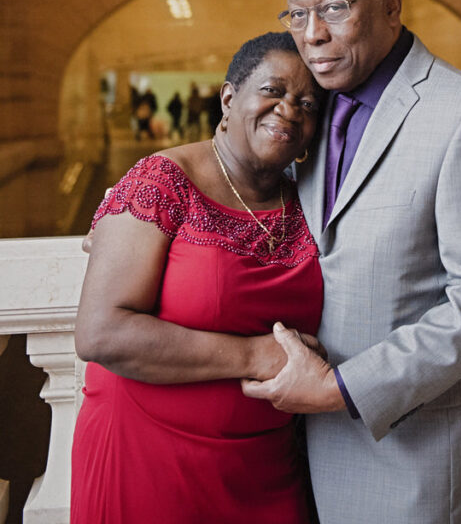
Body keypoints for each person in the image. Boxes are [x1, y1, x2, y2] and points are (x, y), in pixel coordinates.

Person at [242, 0, 461, 524]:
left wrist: (345, 389)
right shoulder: (311, 105)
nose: (312, 35)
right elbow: (240, 165)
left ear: (390, 5)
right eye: (298, 13)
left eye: (333, 8)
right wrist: (148, 208)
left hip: (422, 455)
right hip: (306, 447)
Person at [71, 32, 324, 524]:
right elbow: (101, 332)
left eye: (308, 103)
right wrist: (255, 355)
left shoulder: (309, 200)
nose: (289, 110)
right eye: (273, 91)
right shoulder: (160, 182)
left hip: (267, 465)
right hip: (148, 459)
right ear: (229, 98)